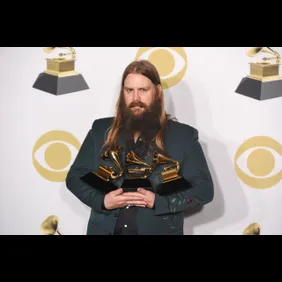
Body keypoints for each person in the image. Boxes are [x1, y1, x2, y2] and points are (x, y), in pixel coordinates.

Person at [65, 59, 214, 235]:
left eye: (143, 90)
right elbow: (75, 177)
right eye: (129, 90)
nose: (136, 98)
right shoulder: (100, 130)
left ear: (157, 91)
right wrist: (102, 201)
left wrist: (159, 203)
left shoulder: (184, 136)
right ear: (123, 93)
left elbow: (204, 190)